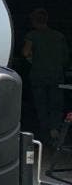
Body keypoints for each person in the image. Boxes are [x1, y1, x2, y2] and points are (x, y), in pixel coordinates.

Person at [22, 8, 69, 144]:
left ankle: (44, 134)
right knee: (56, 104)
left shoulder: (32, 35)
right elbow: (65, 58)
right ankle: (55, 130)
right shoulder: (59, 36)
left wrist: (32, 59)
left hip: (38, 76)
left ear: (33, 21)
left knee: (41, 105)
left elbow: (25, 52)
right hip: (56, 76)